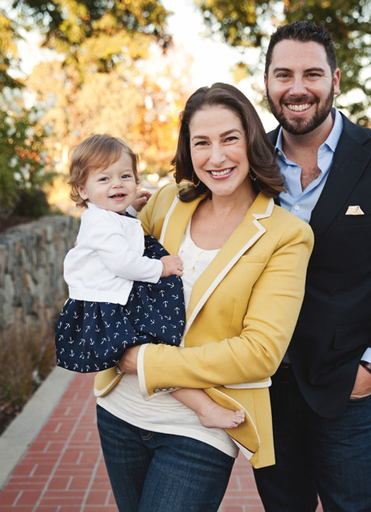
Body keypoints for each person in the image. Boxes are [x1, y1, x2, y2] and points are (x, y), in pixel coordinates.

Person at [93, 83, 314, 512]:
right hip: (120, 409)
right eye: (202, 143)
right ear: (188, 149)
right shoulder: (165, 203)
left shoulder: (286, 235)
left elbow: (260, 352)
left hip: (200, 426)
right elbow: (108, 274)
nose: (216, 157)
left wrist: (147, 362)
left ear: (251, 141)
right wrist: (116, 211)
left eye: (229, 139)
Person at [252, 22, 371, 512]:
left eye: (311, 74)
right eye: (283, 74)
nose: (297, 88)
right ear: (267, 82)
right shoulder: (247, 163)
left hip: (345, 388)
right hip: (262, 386)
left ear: (335, 80)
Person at [56, 134, 246, 429]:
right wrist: (161, 268)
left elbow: (119, 232)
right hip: (108, 306)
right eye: (104, 179)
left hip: (112, 301)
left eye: (125, 176)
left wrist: (131, 211)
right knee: (154, 349)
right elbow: (122, 261)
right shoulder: (100, 223)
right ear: (82, 189)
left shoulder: (105, 217)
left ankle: (202, 404)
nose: (117, 185)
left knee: (153, 352)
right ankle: (204, 407)